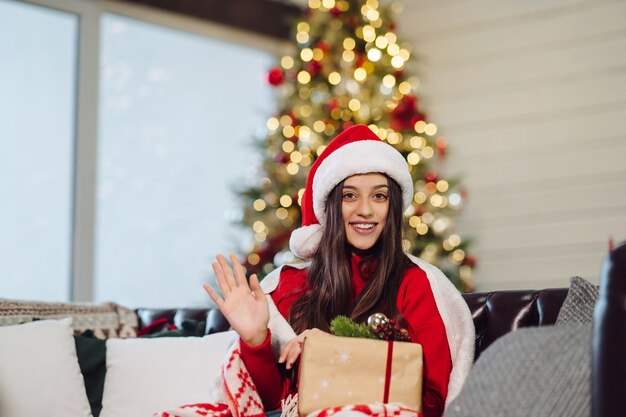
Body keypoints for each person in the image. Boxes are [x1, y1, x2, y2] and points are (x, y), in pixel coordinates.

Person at [204, 124, 475, 417]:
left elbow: (433, 405)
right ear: (330, 205)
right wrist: (256, 342)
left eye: (379, 196)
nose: (366, 210)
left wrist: (335, 354)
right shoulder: (288, 286)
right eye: (349, 196)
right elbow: (270, 406)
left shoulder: (418, 284)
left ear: (393, 206)